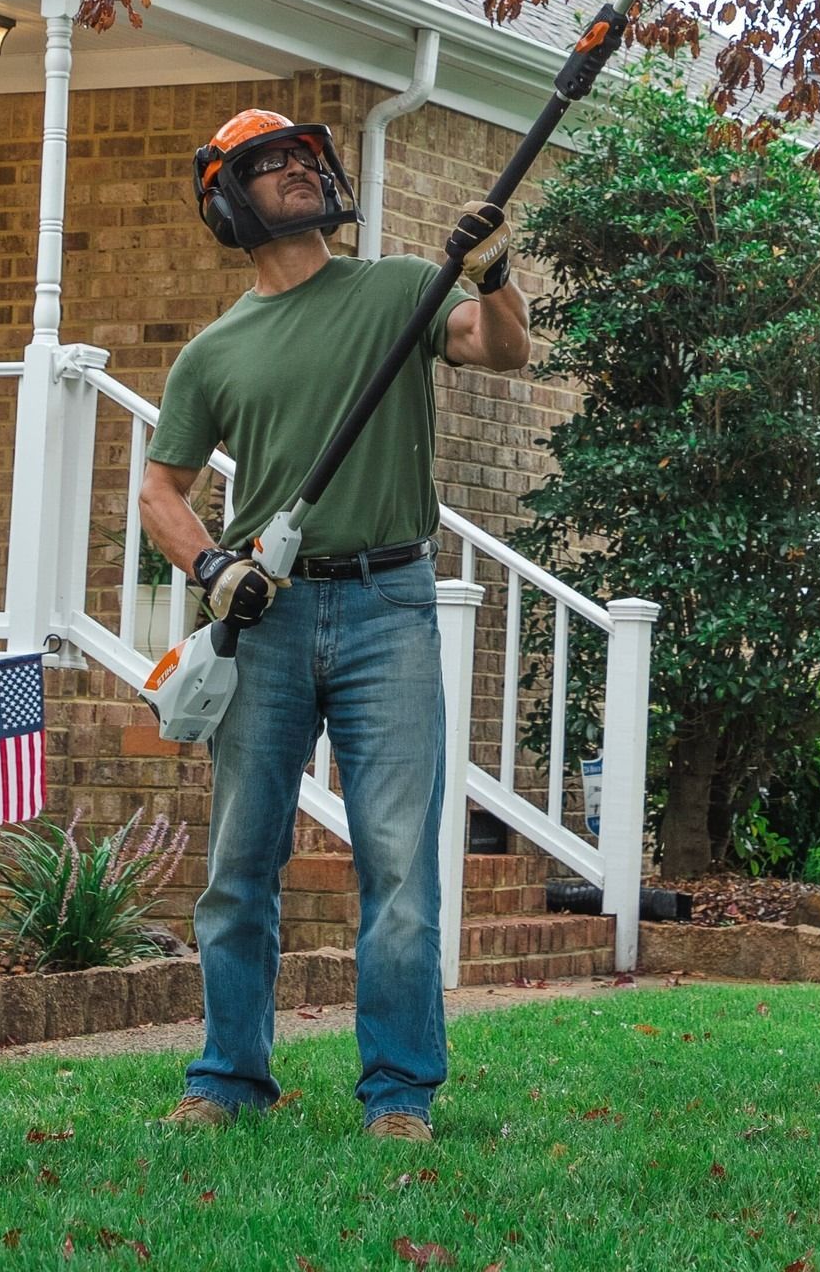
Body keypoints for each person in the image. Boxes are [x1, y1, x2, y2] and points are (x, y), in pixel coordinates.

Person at [138, 107, 531, 1143]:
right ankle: (226, 1074)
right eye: (272, 165)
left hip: (389, 606)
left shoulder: (402, 288)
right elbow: (160, 490)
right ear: (228, 198)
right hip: (266, 616)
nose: (301, 172)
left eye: (307, 157)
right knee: (240, 862)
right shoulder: (214, 351)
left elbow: (503, 350)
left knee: (399, 859)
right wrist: (213, 567)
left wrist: (492, 273)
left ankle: (399, 1092)